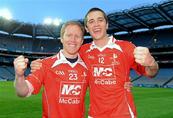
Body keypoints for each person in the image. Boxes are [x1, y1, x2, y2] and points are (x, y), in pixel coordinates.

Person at [30, 7, 159, 118]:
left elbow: (151, 73)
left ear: (107, 24)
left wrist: (151, 62)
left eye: (100, 20)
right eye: (91, 21)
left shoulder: (126, 47)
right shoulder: (83, 51)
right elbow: (63, 55)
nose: (96, 24)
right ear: (87, 28)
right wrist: (39, 63)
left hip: (123, 113)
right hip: (95, 114)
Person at [14, 21, 89, 118]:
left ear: (82, 41)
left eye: (77, 36)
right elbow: (23, 92)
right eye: (69, 35)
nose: (73, 40)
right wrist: (19, 76)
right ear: (62, 38)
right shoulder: (45, 64)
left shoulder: (87, 68)